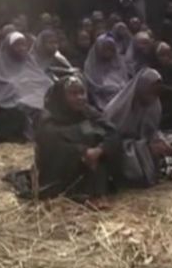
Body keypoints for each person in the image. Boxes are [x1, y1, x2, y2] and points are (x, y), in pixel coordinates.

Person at [28, 76, 122, 206]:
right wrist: (83, 152)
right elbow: (54, 147)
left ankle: (97, 193)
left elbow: (113, 132)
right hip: (58, 173)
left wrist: (100, 150)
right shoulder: (47, 119)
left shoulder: (88, 111)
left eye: (82, 93)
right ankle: (82, 195)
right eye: (73, 93)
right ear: (61, 97)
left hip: (92, 162)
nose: (80, 98)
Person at [103, 68, 172, 186]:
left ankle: (161, 166)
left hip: (145, 146)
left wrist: (160, 141)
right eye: (149, 91)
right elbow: (112, 142)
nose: (152, 97)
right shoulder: (118, 109)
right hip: (125, 152)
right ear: (140, 87)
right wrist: (146, 148)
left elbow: (152, 130)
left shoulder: (154, 105)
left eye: (156, 93)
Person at [0, 32, 54, 135]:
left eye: (24, 44)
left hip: (31, 92)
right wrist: (21, 84)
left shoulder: (27, 59)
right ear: (9, 47)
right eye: (17, 45)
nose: (22, 48)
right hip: (12, 97)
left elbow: (39, 76)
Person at [83, 33, 131, 110]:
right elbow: (93, 88)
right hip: (100, 105)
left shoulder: (120, 64)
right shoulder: (91, 67)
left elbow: (127, 84)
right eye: (105, 48)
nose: (108, 51)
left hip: (124, 103)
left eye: (111, 48)